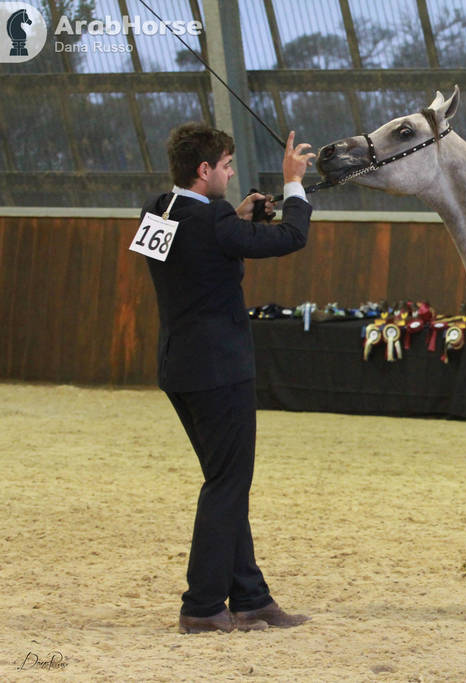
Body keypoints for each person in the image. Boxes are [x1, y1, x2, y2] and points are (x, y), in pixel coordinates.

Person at [141, 123, 318, 632]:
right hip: (220, 370)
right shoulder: (214, 221)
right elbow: (292, 236)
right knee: (227, 484)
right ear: (204, 171)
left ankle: (251, 597)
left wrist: (236, 219)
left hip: (179, 366)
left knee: (225, 482)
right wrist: (292, 184)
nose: (231, 171)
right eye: (225, 165)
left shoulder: (158, 209)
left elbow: (194, 253)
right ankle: (201, 606)